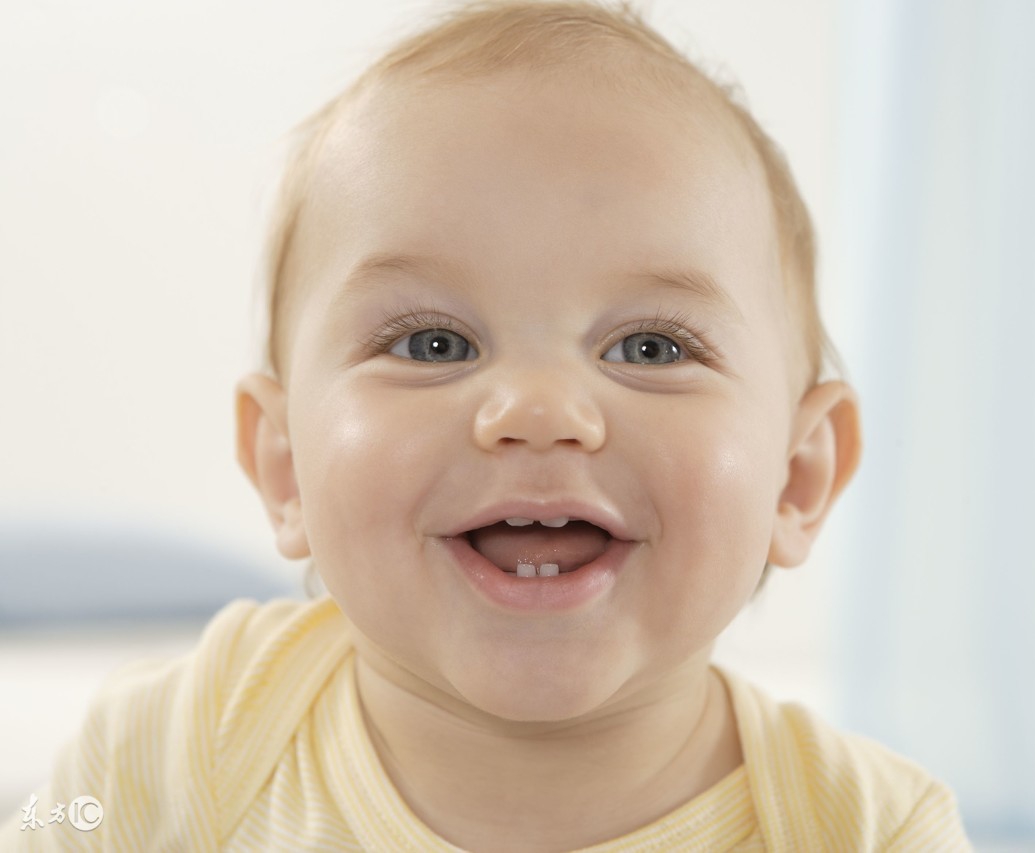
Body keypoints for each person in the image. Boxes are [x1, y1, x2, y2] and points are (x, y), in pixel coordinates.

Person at [3, 2, 971, 849]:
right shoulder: (178, 749)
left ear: (796, 479)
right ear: (286, 464)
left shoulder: (867, 829)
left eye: (649, 347)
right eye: (432, 343)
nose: (538, 410)